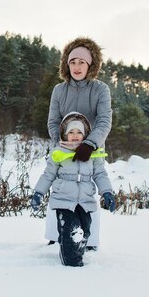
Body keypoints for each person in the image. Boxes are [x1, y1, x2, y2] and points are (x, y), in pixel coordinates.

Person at [44, 37, 113, 249]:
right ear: (66, 63)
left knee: (87, 194)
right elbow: (53, 121)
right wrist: (63, 144)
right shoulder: (59, 90)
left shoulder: (101, 90)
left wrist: (89, 144)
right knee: (60, 190)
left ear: (91, 65)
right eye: (73, 62)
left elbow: (104, 120)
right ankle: (55, 236)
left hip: (91, 152)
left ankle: (90, 241)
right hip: (63, 151)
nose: (76, 66)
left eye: (81, 62)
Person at [31, 112, 115, 267]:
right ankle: (71, 262)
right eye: (71, 132)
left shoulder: (93, 155)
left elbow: (100, 174)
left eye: (79, 132)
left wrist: (107, 192)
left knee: (85, 232)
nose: (75, 135)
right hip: (63, 201)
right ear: (64, 134)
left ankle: (76, 254)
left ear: (85, 135)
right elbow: (48, 175)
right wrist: (38, 193)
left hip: (85, 201)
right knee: (70, 231)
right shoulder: (58, 153)